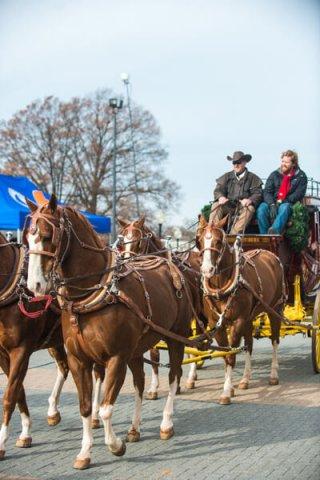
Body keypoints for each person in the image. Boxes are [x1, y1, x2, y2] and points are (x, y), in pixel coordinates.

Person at [209, 151, 263, 234]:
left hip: (243, 207)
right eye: (234, 162)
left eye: (238, 162)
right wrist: (221, 197)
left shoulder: (253, 178)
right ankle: (213, 232)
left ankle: (233, 236)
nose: (236, 165)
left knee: (250, 209)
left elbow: (258, 193)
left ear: (245, 162)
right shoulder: (226, 176)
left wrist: (250, 200)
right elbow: (218, 190)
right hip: (228, 206)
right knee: (216, 205)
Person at [256, 150, 308, 235]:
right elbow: (267, 192)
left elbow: (298, 194)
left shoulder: (301, 176)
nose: (283, 164)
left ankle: (274, 232)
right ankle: (264, 236)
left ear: (294, 164)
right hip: (272, 201)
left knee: (285, 207)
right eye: (283, 161)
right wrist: (272, 204)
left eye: (287, 162)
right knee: (262, 208)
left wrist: (282, 201)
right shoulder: (274, 174)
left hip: (287, 202)